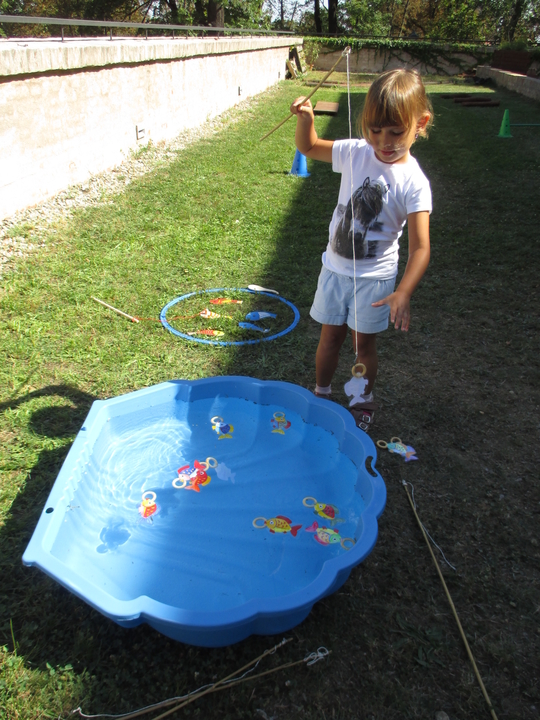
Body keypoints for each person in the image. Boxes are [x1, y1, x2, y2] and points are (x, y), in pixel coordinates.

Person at [290, 68, 433, 431]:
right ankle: (321, 394)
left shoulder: (414, 182)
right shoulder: (356, 152)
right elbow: (308, 147)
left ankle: (361, 399)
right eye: (374, 130)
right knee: (329, 337)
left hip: (374, 282)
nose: (384, 141)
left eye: (396, 132)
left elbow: (420, 248)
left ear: (420, 124)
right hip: (334, 271)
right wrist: (306, 120)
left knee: (362, 346)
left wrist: (403, 292)